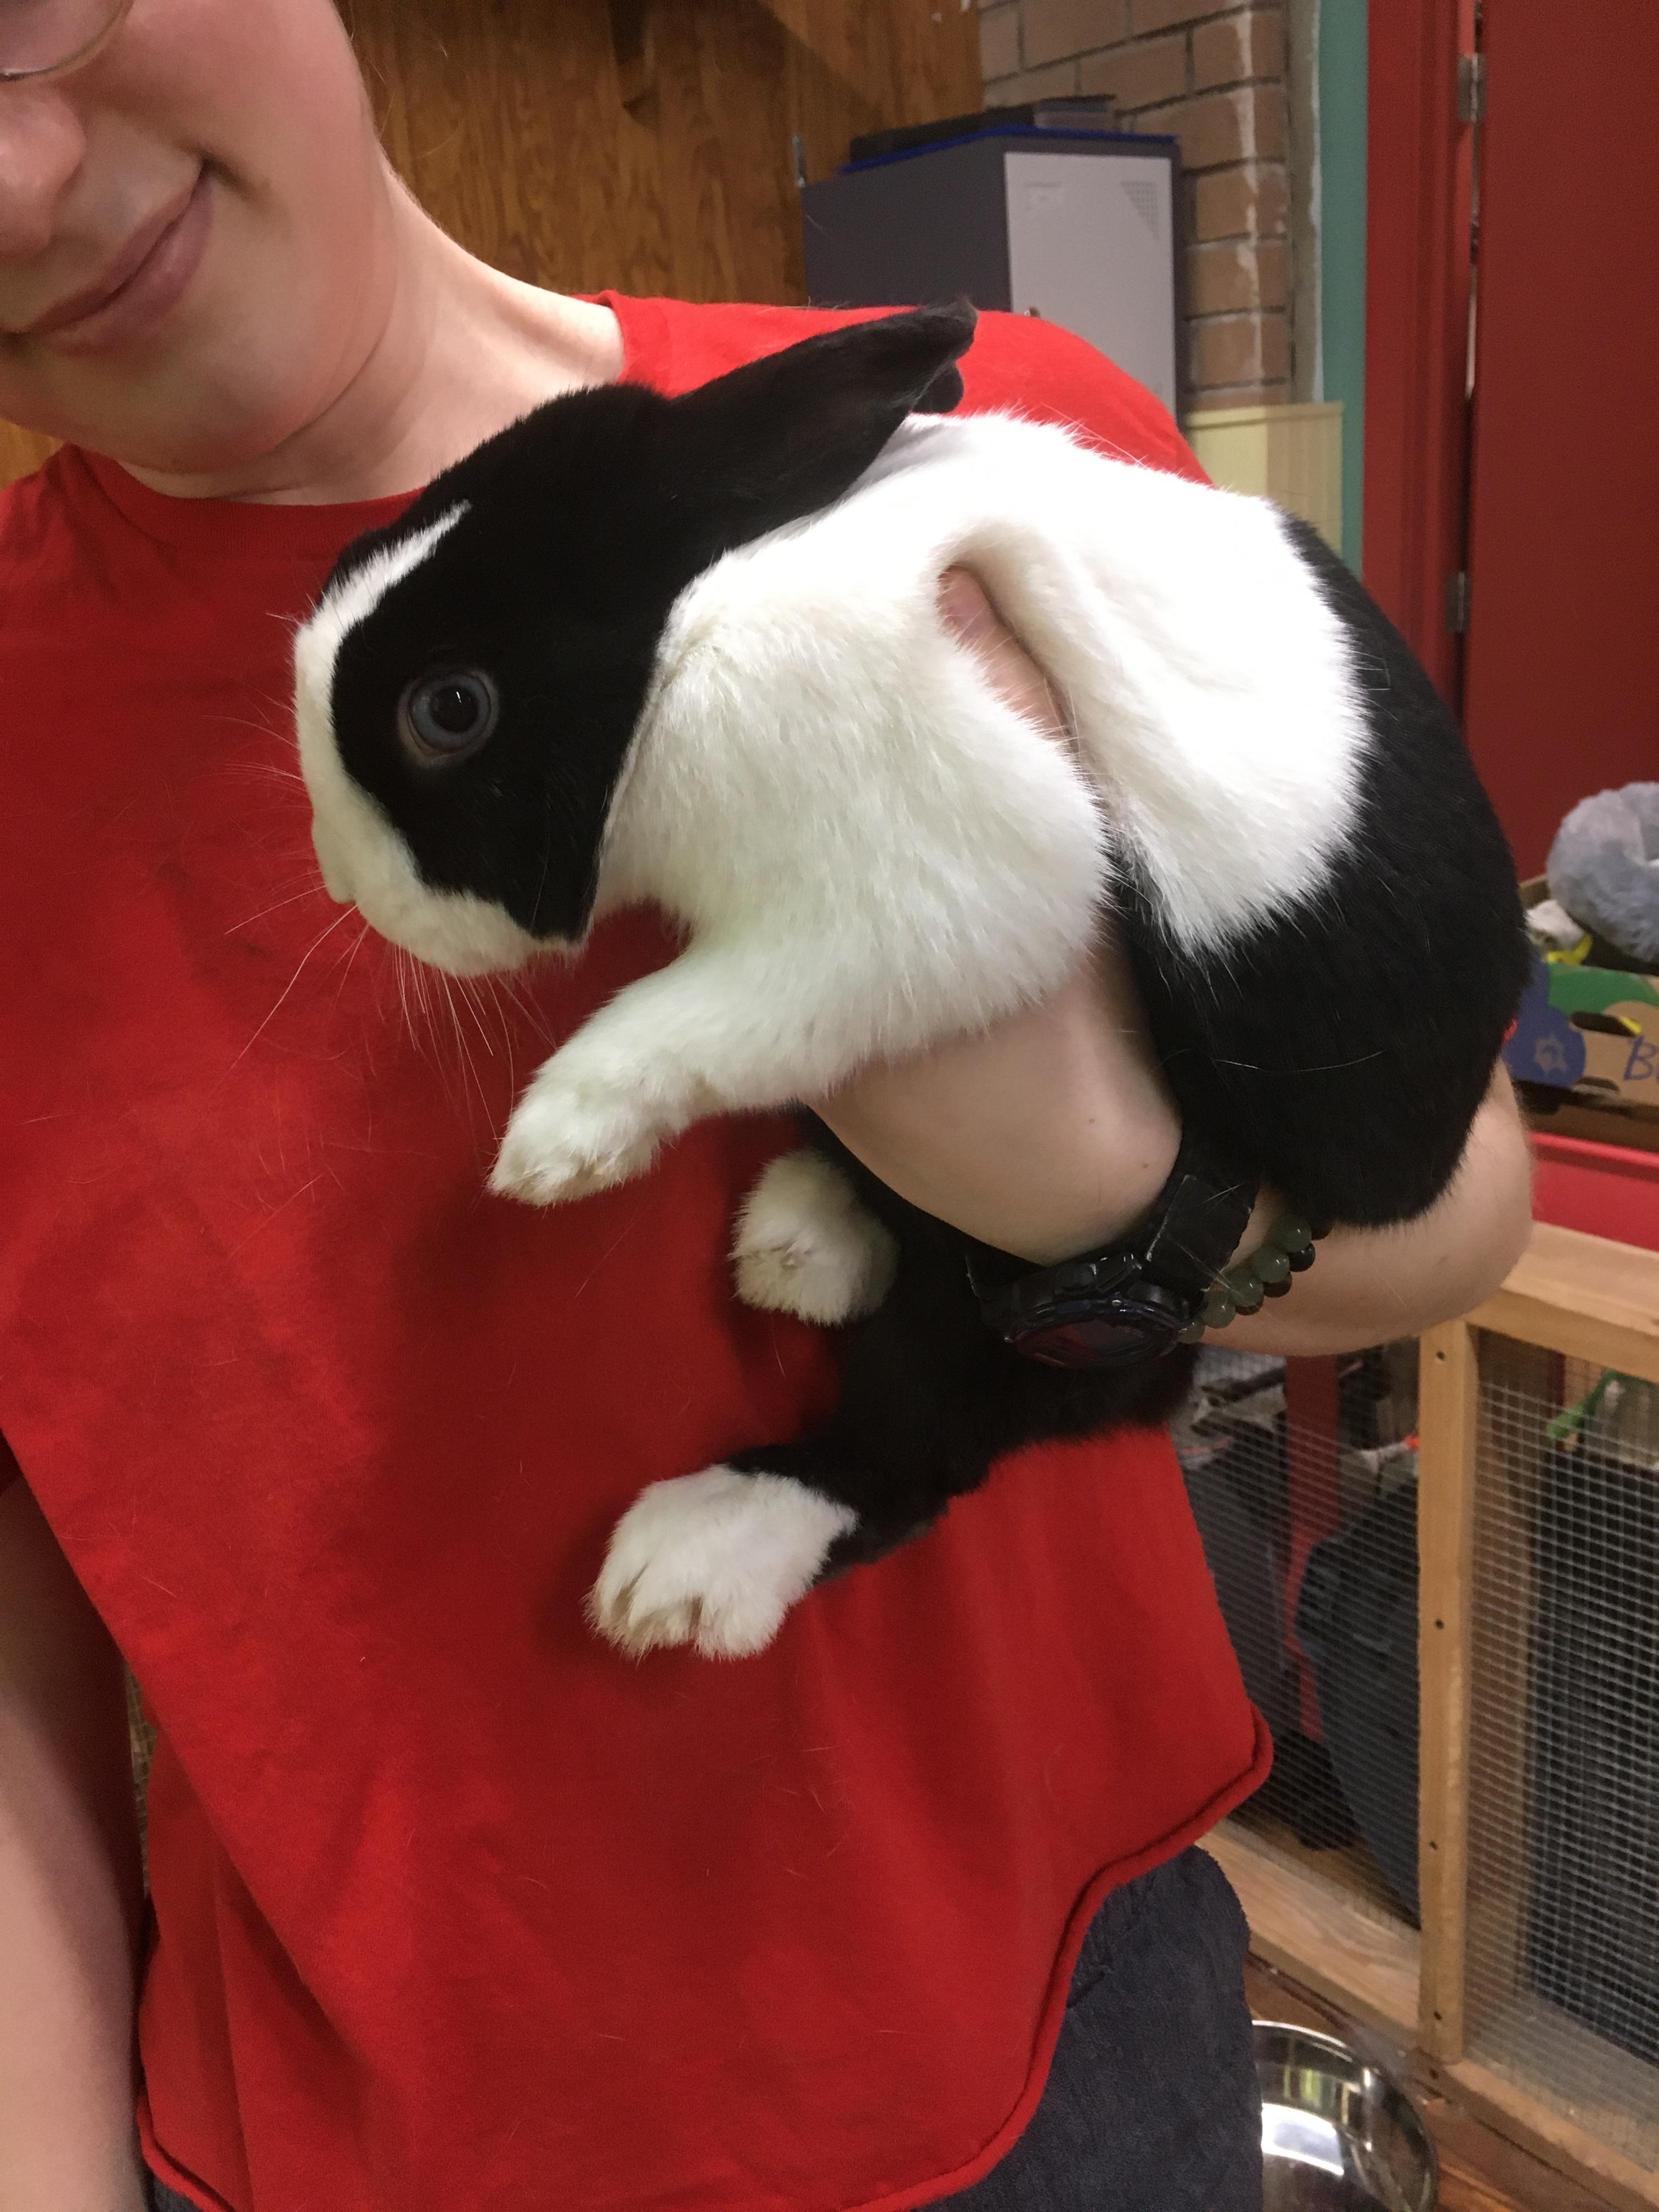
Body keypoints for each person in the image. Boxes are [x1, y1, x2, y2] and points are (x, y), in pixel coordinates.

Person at [0, 4, 1533, 2209]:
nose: (23, 183)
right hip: (337, 2135)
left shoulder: (999, 446)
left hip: (1050, 2060)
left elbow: (1453, 1201)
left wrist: (1110, 1187)